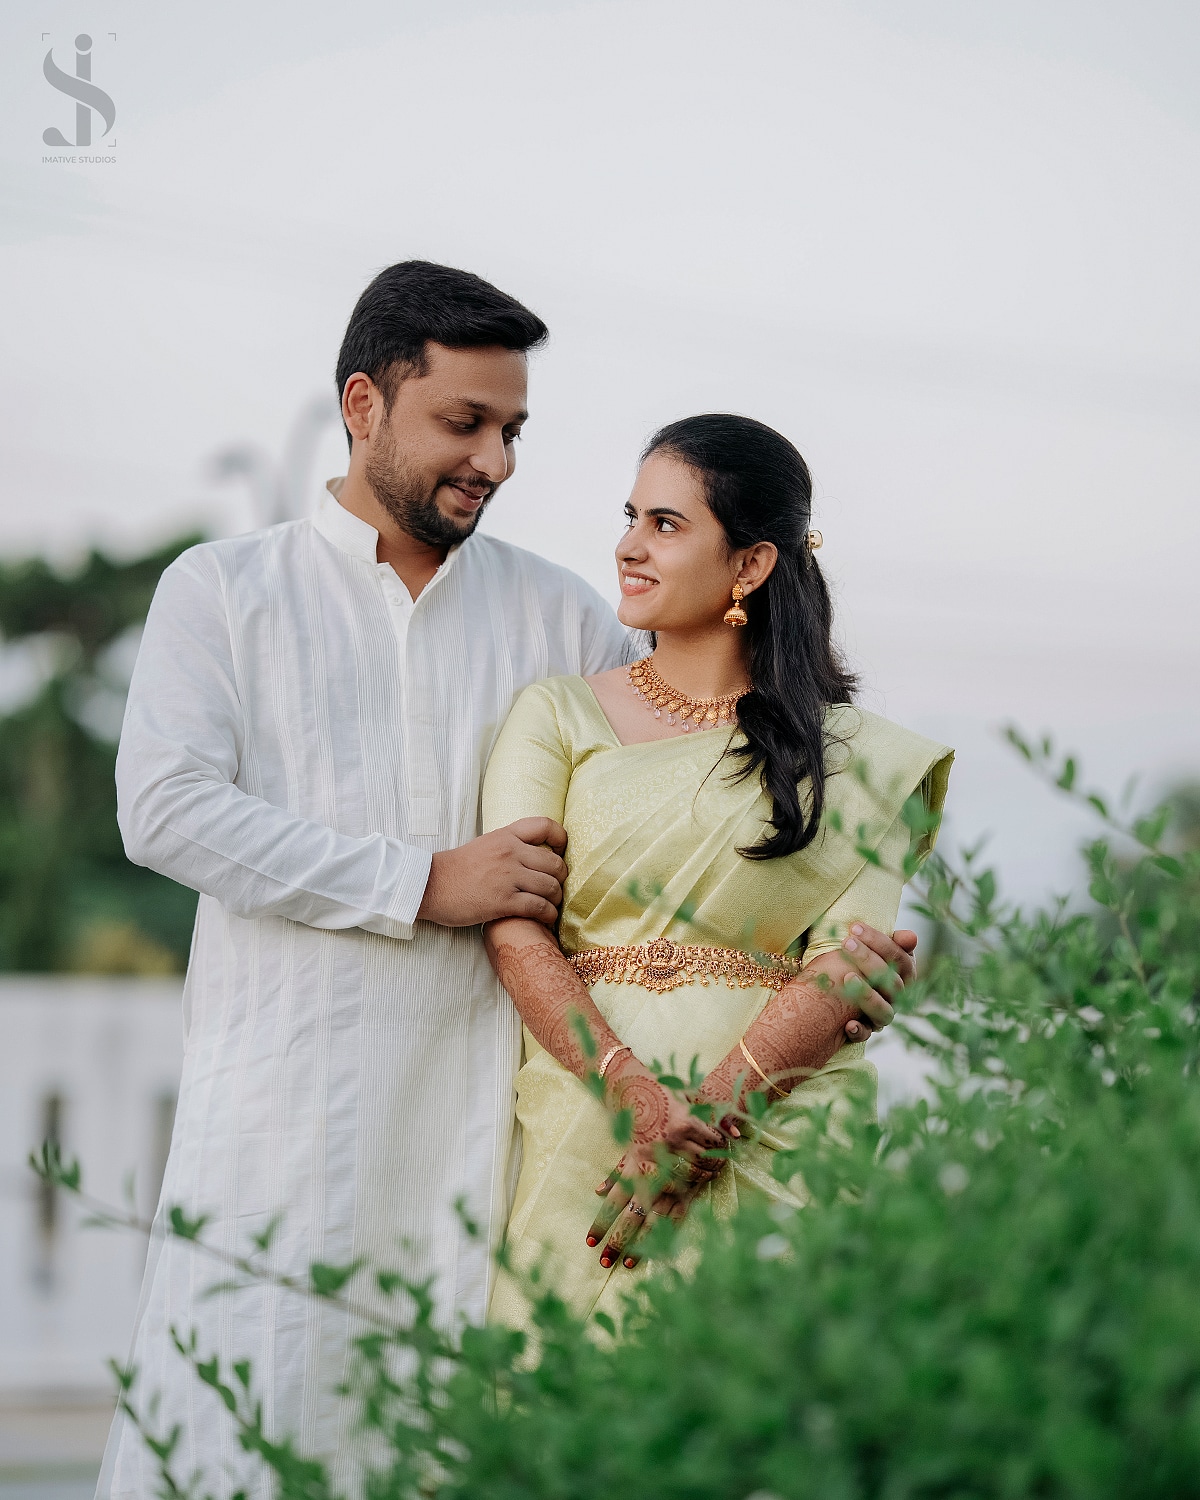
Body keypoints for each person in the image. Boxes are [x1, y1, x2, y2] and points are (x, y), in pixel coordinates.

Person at [100, 264, 913, 1493]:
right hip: (281, 1118)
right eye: (464, 423)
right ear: (364, 405)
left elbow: (688, 794)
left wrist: (827, 939)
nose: (496, 460)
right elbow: (164, 810)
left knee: (447, 1450)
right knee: (241, 1440)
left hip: (491, 1145)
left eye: (514, 430)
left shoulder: (557, 615)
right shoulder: (224, 591)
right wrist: (422, 882)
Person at [482, 413, 953, 1329]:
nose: (629, 547)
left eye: (666, 524)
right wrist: (634, 1098)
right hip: (584, 1118)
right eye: (630, 517)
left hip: (780, 1128)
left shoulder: (857, 758)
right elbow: (513, 925)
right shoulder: (558, 715)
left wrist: (702, 1126)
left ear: (751, 564)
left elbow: (849, 963)